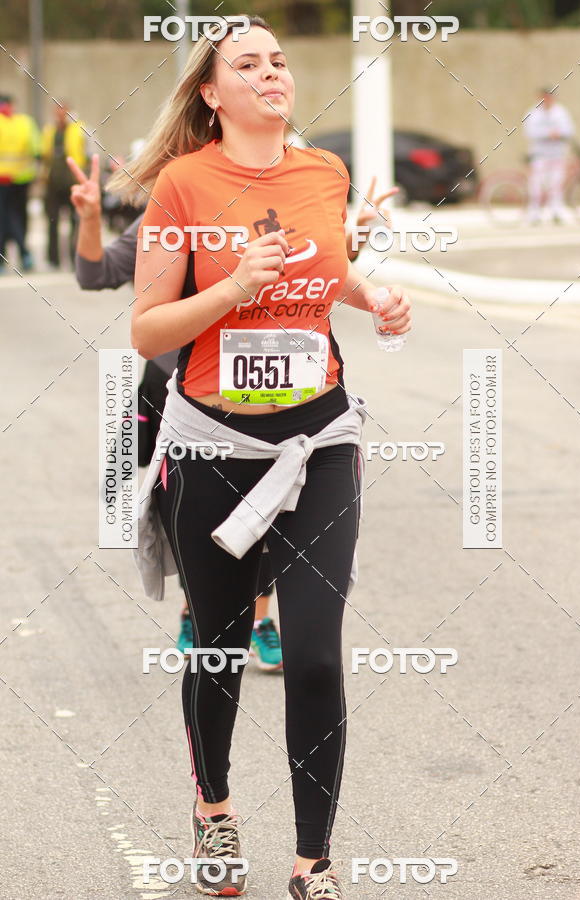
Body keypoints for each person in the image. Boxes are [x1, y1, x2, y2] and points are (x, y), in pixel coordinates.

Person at [109, 18, 410, 895]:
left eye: (278, 59)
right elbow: (147, 325)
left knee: (314, 653)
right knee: (220, 648)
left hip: (319, 439)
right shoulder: (182, 187)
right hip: (212, 444)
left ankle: (313, 864)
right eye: (247, 63)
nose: (271, 72)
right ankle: (213, 807)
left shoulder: (323, 171)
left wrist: (375, 296)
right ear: (211, 93)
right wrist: (234, 287)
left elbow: (329, 267)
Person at [68, 151, 283, 669]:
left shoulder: (271, 207)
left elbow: (315, 280)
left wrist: (358, 239)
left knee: (272, 502)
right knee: (192, 506)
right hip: (175, 382)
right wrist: (92, 219)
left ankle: (261, 618)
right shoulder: (164, 215)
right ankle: (197, 607)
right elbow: (95, 274)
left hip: (260, 379)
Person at [41, 100, 87, 268]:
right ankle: (54, 259)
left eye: (64, 111)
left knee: (76, 221)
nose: (60, 115)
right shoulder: (49, 130)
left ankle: (75, 256)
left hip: (72, 181)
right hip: (53, 182)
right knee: (52, 221)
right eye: (58, 111)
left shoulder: (79, 129)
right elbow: (45, 155)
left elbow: (88, 153)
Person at [523, 87, 575, 225]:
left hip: (557, 154)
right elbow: (529, 132)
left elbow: (569, 130)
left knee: (556, 184)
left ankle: (556, 212)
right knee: (536, 185)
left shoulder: (561, 112)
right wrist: (548, 134)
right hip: (539, 155)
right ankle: (534, 214)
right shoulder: (533, 113)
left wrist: (559, 134)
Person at [0, 94, 39, 272]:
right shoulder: (25, 123)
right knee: (18, 218)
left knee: (6, 218)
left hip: (5, 180)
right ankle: (24, 255)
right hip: (22, 179)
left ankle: (8, 256)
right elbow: (37, 150)